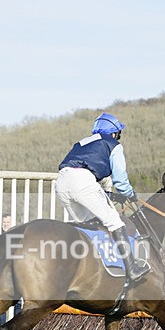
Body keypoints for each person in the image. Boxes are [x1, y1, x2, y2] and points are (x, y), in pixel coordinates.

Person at [55, 112, 149, 281]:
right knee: (114, 221)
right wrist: (130, 194)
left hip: (62, 182)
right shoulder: (113, 145)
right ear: (114, 133)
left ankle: (84, 268)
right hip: (83, 181)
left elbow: (86, 179)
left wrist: (110, 196)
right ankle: (132, 269)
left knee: (86, 225)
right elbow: (120, 180)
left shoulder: (82, 143)